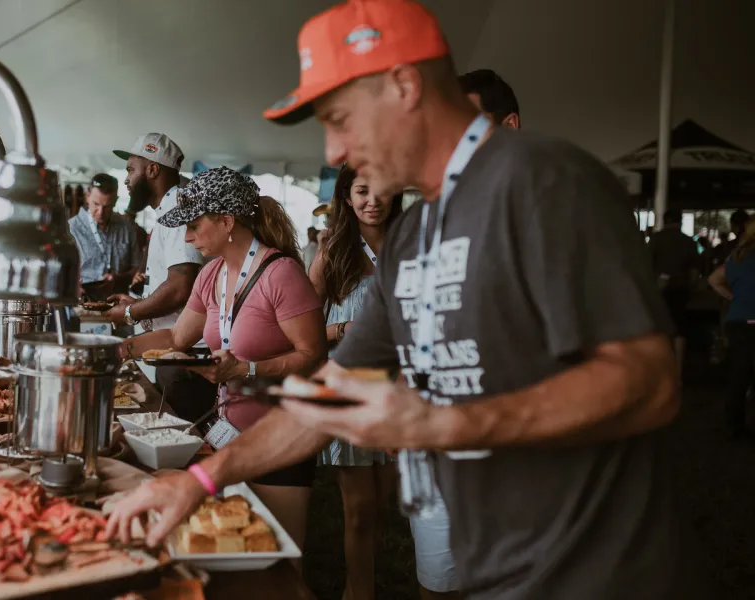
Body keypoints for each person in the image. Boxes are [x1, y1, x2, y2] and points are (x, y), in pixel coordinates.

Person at [107, 3, 695, 599]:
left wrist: (441, 423)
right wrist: (198, 481)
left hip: (592, 571)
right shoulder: (414, 236)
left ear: (405, 86)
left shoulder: (541, 179)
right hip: (490, 558)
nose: (334, 151)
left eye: (340, 120)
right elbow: (328, 393)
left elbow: (648, 382)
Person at [119, 167, 326, 548]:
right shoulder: (210, 273)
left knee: (279, 566)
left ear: (227, 221)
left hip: (280, 439)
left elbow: (313, 357)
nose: (187, 236)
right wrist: (118, 349)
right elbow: (177, 337)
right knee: (232, 549)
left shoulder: (281, 274)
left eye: (194, 224)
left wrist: (247, 369)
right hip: (226, 434)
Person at [309, 164, 403, 600]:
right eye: (362, 191)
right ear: (347, 197)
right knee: (360, 509)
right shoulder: (333, 249)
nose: (373, 200)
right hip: (348, 384)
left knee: (382, 505)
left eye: (381, 190)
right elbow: (304, 327)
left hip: (398, 385)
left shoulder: (409, 247)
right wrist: (346, 330)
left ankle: (353, 588)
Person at [104, 133, 210, 421]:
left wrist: (129, 312)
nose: (126, 179)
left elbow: (180, 287)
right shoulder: (166, 210)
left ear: (152, 170)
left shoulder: (177, 209)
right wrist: (138, 301)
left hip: (182, 359)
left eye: (130, 170)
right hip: (167, 353)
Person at [708, 221, 755, 439]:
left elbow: (713, 280)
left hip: (737, 321)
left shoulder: (736, 257)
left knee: (739, 374)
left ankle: (735, 424)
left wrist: (733, 297)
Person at [69, 173, 140, 302]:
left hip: (119, 304)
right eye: (96, 204)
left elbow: (136, 267)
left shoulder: (126, 227)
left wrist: (119, 278)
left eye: (107, 206)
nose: (100, 212)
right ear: (87, 196)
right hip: (83, 305)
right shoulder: (70, 230)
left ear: (116, 201)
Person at [649, 208, 701, 374]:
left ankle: (660, 368)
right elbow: (695, 271)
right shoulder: (688, 242)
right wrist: (691, 288)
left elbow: (645, 265)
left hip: (659, 290)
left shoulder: (656, 239)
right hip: (681, 289)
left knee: (659, 328)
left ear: (665, 221)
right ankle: (677, 370)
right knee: (680, 328)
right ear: (680, 222)